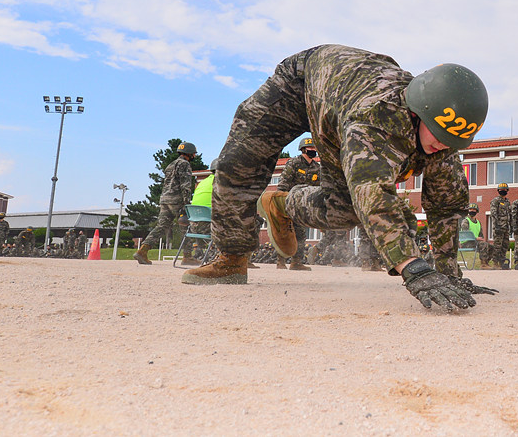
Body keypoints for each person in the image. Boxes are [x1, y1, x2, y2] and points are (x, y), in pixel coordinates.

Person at [182, 45, 495, 312]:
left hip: (335, 117)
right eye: (438, 134)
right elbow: (373, 193)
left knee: (344, 209)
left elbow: (446, 205)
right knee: (238, 160)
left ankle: (281, 204)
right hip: (301, 84)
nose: (442, 144)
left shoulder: (444, 134)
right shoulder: (376, 119)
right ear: (417, 112)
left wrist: (447, 273)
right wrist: (413, 267)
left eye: (452, 140)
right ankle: (232, 257)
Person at [135, 141, 197, 265]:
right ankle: (187, 256)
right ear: (189, 153)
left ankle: (143, 250)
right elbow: (185, 185)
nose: (194, 156)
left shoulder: (170, 165)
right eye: (194, 154)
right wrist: (187, 203)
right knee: (186, 226)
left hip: (165, 200)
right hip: (177, 201)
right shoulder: (185, 164)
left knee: (161, 226)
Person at [274, 137, 321, 271]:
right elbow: (283, 184)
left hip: (303, 206)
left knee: (300, 234)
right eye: (310, 148)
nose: (313, 150)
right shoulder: (293, 163)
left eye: (314, 148)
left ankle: (296, 262)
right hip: (288, 203)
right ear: (303, 149)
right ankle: (280, 261)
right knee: (284, 232)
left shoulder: (317, 168)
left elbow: (318, 188)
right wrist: (280, 203)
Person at [488, 183, 513, 269]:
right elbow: (494, 213)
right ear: (498, 191)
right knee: (497, 246)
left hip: (506, 227)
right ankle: (495, 263)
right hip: (498, 227)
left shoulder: (507, 202)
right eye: (501, 190)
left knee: (505, 245)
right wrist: (497, 225)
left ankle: (502, 262)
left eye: (505, 190)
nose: (503, 191)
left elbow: (510, 214)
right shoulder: (495, 201)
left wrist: (511, 226)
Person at [461, 203, 490, 269]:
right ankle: (483, 265)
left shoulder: (478, 222)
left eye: (474, 210)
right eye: (470, 209)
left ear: (477, 211)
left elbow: (481, 235)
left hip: (475, 242)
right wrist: (476, 238)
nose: (472, 211)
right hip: (466, 243)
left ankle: (486, 262)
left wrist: (480, 238)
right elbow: (465, 233)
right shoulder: (465, 221)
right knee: (483, 245)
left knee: (490, 247)